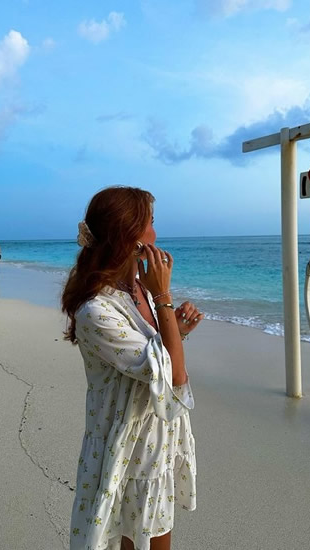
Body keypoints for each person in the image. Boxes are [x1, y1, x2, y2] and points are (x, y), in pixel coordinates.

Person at [62, 186, 204, 550]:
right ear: (128, 235)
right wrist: (164, 298)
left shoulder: (136, 291)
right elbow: (174, 377)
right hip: (123, 449)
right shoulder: (96, 310)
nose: (156, 233)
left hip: (154, 443)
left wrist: (176, 329)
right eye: (150, 223)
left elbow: (158, 358)